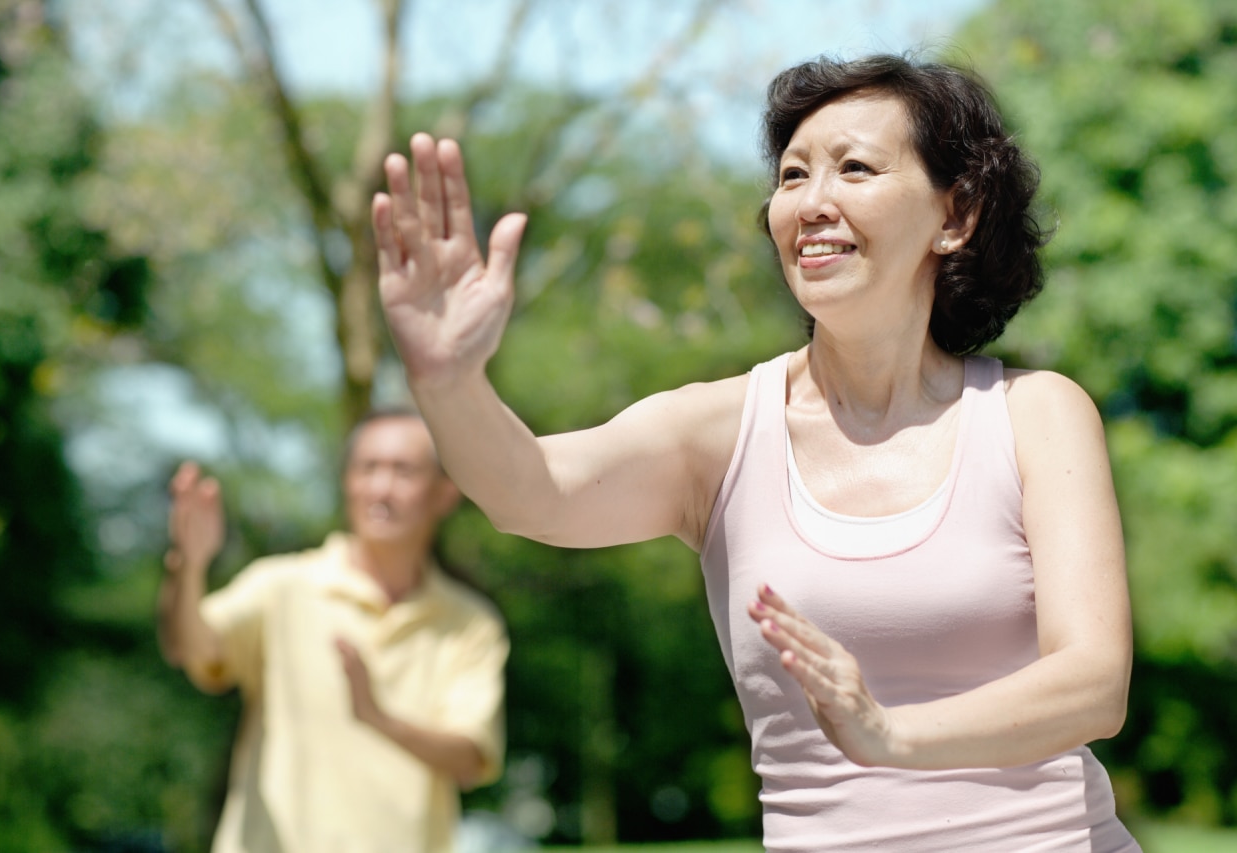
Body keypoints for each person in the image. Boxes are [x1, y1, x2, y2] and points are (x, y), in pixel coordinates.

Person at [370, 52, 1140, 851]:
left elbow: (1094, 682)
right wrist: (449, 380)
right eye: (793, 175)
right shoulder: (720, 433)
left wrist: (891, 735)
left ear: (956, 215)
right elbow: (531, 491)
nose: (812, 202)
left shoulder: (1033, 415)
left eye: (855, 168)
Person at [157, 408, 508, 853]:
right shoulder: (282, 586)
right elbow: (186, 645)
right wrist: (188, 567)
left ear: (446, 492)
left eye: (404, 471)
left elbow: (470, 758)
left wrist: (378, 718)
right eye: (367, 468)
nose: (381, 488)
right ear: (347, 483)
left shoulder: (470, 623)